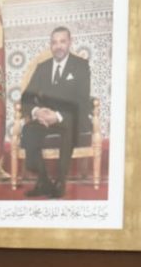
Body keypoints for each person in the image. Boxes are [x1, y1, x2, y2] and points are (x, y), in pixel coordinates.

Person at [19, 26, 92, 199]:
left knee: (68, 128)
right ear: (50, 45)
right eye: (54, 42)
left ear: (70, 43)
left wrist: (58, 116)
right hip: (45, 119)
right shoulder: (42, 67)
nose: (58, 46)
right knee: (28, 130)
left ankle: (60, 182)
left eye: (62, 41)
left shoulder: (81, 65)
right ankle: (43, 181)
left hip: (71, 118)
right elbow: (26, 97)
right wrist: (37, 111)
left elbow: (82, 101)